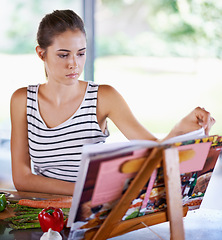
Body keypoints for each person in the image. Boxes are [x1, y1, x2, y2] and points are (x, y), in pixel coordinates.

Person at [10, 10, 215, 196]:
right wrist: (83, 191)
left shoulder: (103, 97)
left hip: (91, 211)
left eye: (81, 53)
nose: (74, 63)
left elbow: (154, 153)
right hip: (46, 212)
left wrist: (181, 128)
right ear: (41, 53)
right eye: (63, 55)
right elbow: (22, 179)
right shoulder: (22, 100)